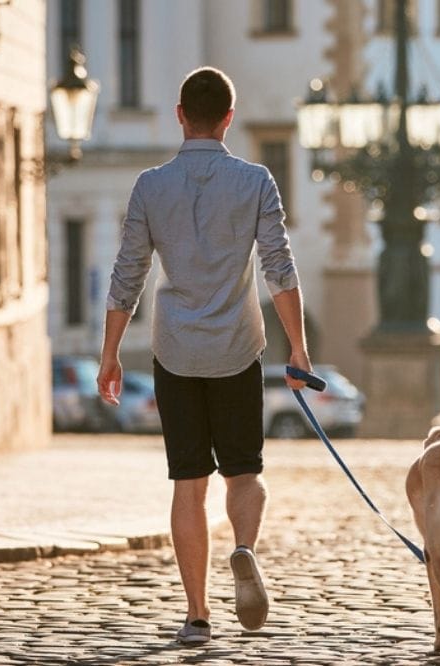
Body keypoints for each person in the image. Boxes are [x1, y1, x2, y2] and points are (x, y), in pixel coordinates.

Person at [96, 66, 311, 645]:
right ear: (229, 120)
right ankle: (243, 548)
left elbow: (127, 277)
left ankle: (197, 613)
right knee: (245, 472)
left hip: (175, 352)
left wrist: (111, 354)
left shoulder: (150, 186)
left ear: (180, 116)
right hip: (238, 351)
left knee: (188, 483)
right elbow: (278, 268)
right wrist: (300, 348)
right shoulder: (256, 181)